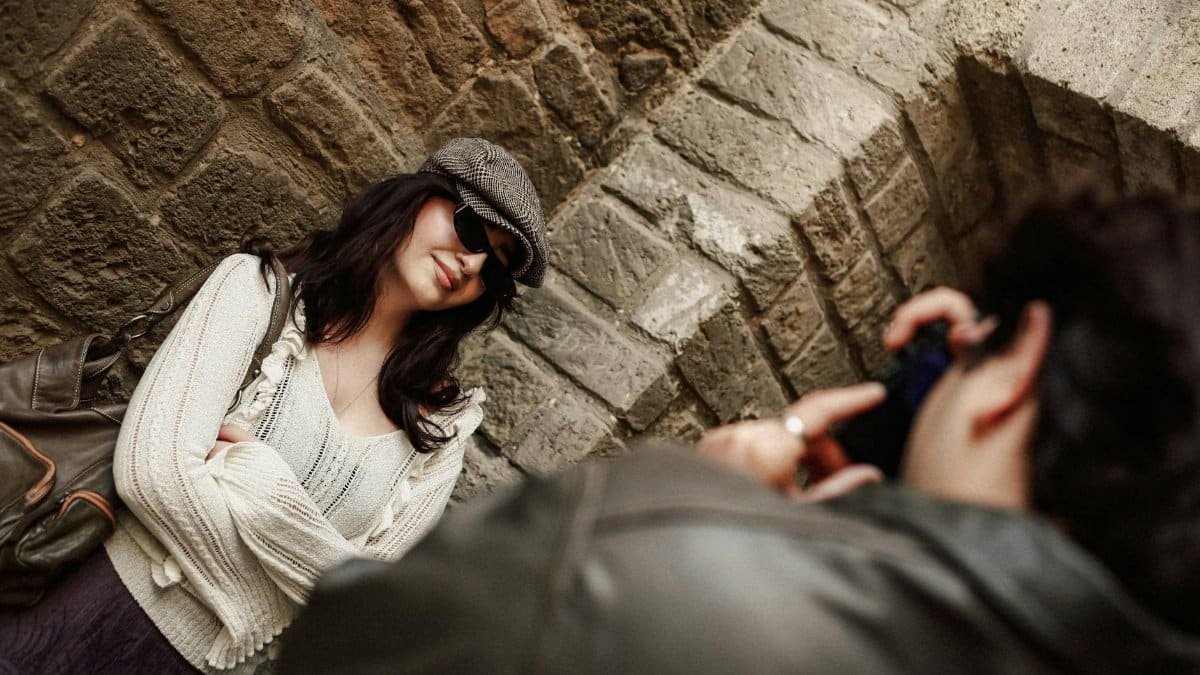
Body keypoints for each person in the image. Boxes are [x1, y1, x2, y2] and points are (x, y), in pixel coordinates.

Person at [278, 190, 1200, 674]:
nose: (470, 259)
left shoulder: (642, 553)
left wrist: (693, 500)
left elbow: (348, 635)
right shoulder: (263, 292)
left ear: (1022, 364)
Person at [0, 138, 550, 674]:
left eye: (496, 267)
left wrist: (261, 486)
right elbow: (152, 475)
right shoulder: (257, 294)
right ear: (416, 197)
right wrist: (267, 609)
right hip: (79, 614)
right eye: (471, 227)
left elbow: (366, 611)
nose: (474, 262)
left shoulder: (439, 434)